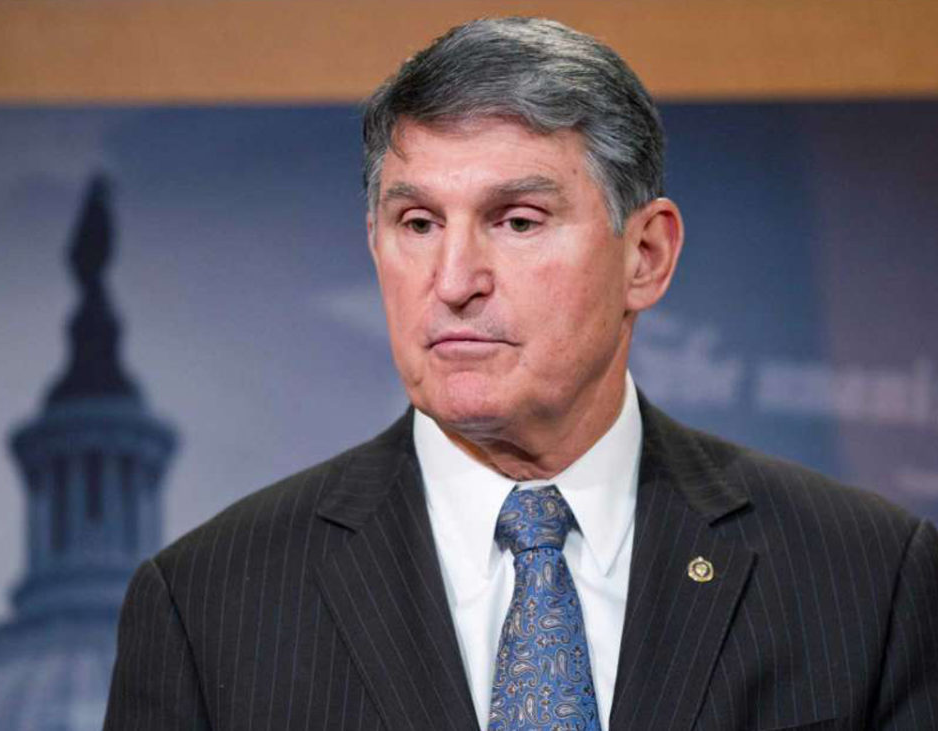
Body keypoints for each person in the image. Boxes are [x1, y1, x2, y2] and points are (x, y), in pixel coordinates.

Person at [104, 17, 938, 731]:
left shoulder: (869, 577)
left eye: (518, 220)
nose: (455, 278)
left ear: (645, 256)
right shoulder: (207, 607)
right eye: (418, 221)